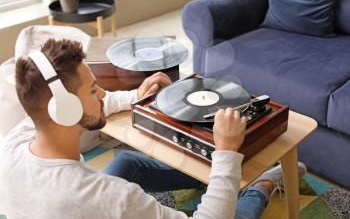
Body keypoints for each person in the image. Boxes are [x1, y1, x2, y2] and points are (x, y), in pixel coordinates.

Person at [0, 39, 306, 219]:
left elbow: (90, 109)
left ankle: (211, 180)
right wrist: (225, 152)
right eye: (94, 90)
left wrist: (139, 97)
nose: (103, 95)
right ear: (65, 109)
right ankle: (261, 186)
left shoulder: (12, 145)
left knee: (124, 162)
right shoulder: (111, 197)